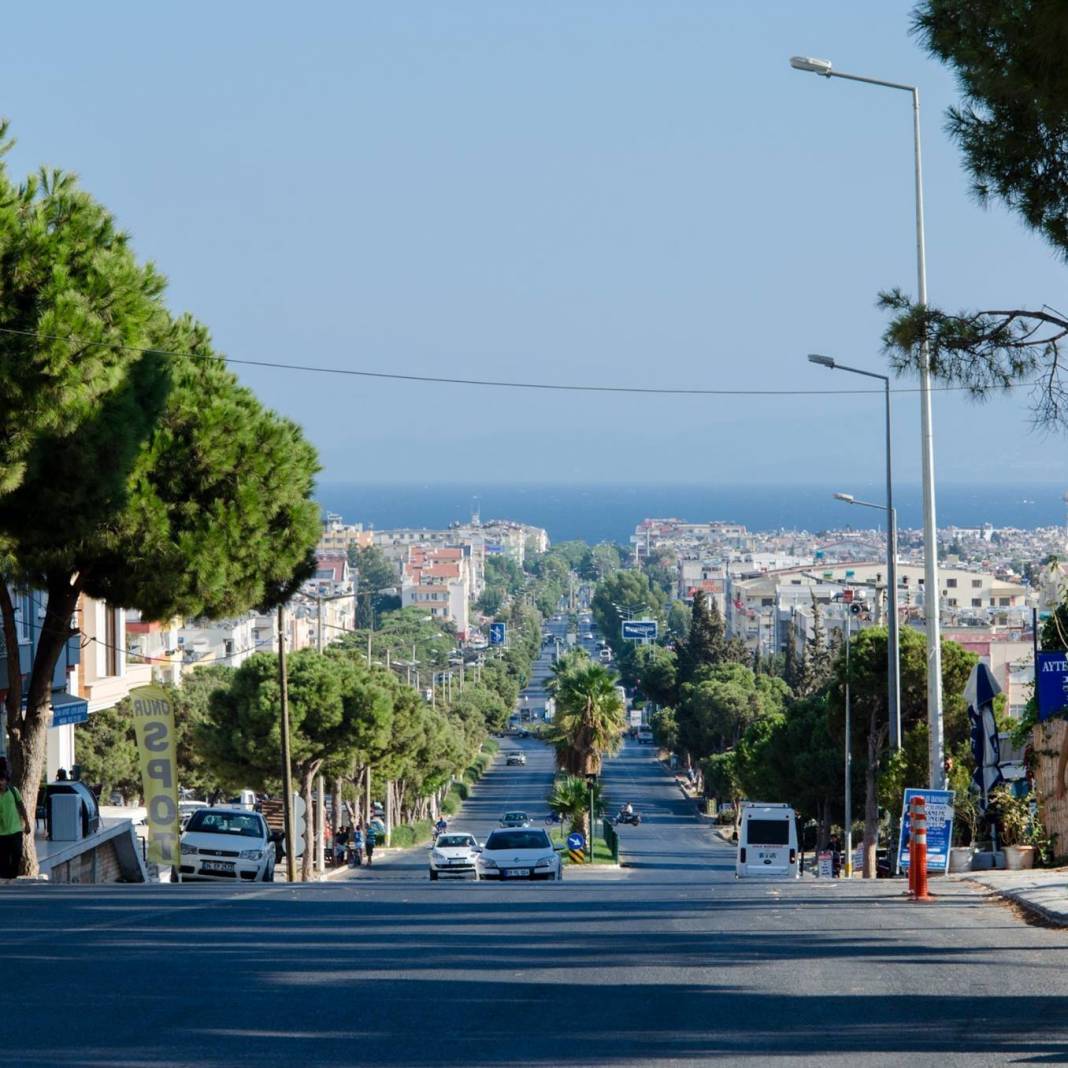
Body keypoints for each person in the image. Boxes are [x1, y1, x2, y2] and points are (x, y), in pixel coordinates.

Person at [0, 769, 32, 879]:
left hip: (16, 830)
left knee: (17, 854)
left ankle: (12, 876)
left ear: (6, 781)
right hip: (2, 833)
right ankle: (5, 880)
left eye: (2, 780)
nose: (0, 783)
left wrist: (27, 823)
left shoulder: (13, 791)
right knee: (3, 859)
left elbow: (22, 807)